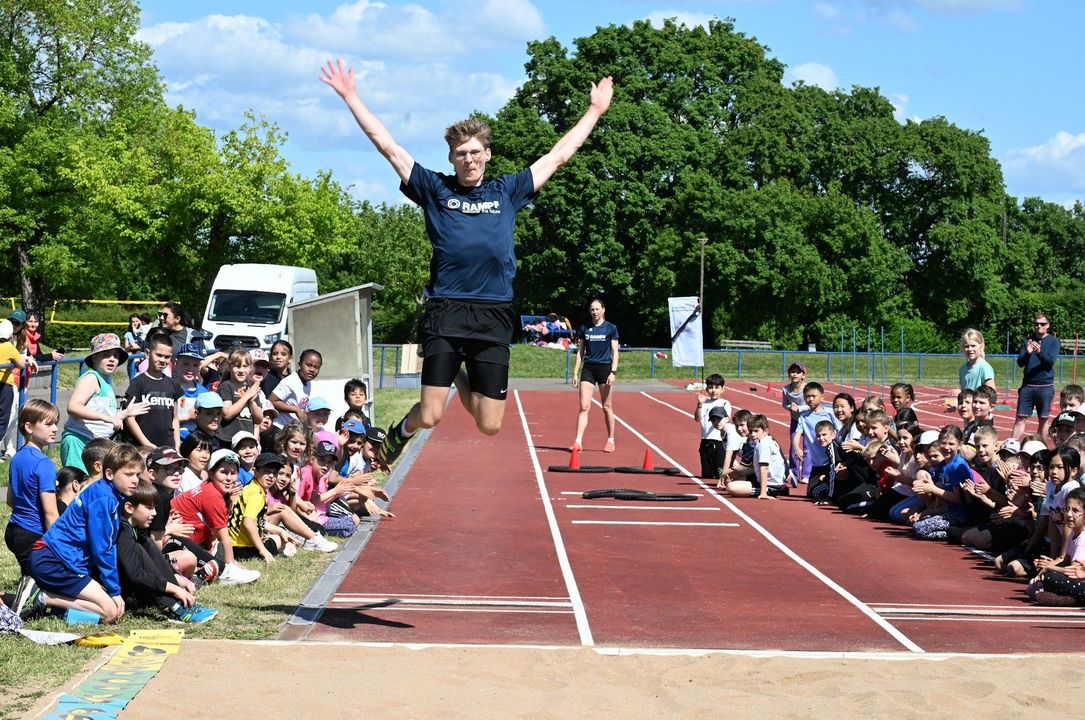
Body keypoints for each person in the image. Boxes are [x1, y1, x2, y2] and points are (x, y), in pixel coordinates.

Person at [321, 58, 613, 464]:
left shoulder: (508, 191)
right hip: (447, 307)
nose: (469, 159)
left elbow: (559, 156)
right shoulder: (435, 188)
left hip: (494, 313)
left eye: (475, 152)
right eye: (461, 153)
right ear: (452, 157)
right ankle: (396, 433)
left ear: (487, 154)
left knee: (489, 424)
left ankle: (458, 372)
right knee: (431, 414)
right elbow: (387, 145)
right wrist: (351, 96)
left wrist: (594, 111)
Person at [16, 444, 144, 622]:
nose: (135, 480)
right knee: (110, 612)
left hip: (59, 560)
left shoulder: (108, 493)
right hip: (54, 562)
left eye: (137, 474)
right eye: (129, 474)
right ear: (109, 474)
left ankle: (58, 609)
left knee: (110, 610)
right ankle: (42, 597)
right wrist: (114, 591)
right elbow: (103, 549)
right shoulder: (104, 499)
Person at [116, 481, 217, 623]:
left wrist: (176, 578)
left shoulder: (138, 527)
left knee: (149, 545)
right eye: (149, 508)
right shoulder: (122, 530)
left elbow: (156, 558)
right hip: (119, 590)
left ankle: (177, 602)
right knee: (139, 549)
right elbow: (136, 575)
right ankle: (172, 606)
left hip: (134, 587)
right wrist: (174, 589)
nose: (154, 513)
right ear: (129, 508)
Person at [61, 334, 149, 472]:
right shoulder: (91, 378)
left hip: (94, 444)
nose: (112, 359)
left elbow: (101, 414)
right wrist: (109, 418)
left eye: (115, 355)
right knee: (77, 485)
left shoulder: (106, 381)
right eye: (106, 354)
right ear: (95, 357)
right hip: (78, 440)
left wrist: (123, 414)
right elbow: (73, 407)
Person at [4, 401, 61, 586]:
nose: (55, 428)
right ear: (29, 427)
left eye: (56, 423)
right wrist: (62, 543)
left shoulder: (17, 457)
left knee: (30, 580)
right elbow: (50, 513)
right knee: (38, 588)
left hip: (13, 530)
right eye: (48, 423)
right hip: (32, 534)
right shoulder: (43, 463)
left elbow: (11, 500)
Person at [571, 299, 620, 453]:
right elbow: (580, 351)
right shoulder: (585, 328)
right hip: (589, 369)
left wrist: (613, 372)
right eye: (592, 309)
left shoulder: (610, 328)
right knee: (584, 407)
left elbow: (615, 352)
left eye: (597, 309)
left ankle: (611, 439)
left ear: (603, 310)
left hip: (605, 369)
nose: (595, 312)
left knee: (606, 407)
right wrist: (575, 372)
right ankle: (578, 441)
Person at [123, 333, 182, 449]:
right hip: (143, 448)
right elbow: (129, 418)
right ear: (148, 353)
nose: (162, 360)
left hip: (168, 447)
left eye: (167, 357)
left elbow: (175, 419)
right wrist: (146, 444)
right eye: (159, 355)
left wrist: (177, 446)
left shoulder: (173, 384)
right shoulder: (138, 382)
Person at [1012, 313, 1060, 440]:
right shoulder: (1027, 340)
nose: (1039, 326)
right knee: (1020, 418)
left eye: (1042, 324)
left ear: (1047, 325)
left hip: (1045, 386)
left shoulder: (1054, 341)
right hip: (1027, 386)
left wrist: (1039, 352)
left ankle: (1041, 448)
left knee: (1043, 420)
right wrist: (1027, 352)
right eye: (1036, 324)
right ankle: (1012, 448)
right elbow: (1020, 363)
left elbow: (1049, 363)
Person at [693, 374, 731, 479]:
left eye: (717, 387)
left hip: (719, 442)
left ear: (723, 389)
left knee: (720, 473)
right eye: (710, 387)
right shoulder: (704, 403)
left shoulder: (725, 403)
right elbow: (697, 418)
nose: (713, 390)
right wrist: (699, 405)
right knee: (707, 475)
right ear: (706, 389)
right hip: (706, 441)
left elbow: (727, 419)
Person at [0, 319, 28, 463]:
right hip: (5, 385)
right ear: (10, 335)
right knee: (3, 418)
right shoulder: (8, 347)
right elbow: (21, 363)